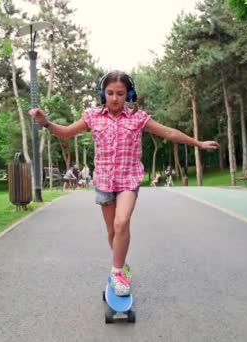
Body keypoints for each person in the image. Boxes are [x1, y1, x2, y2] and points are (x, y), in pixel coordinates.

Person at [29, 70, 219, 296]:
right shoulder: (92, 116)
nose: (115, 98)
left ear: (129, 94)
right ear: (103, 93)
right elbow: (67, 132)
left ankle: (117, 272)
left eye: (120, 93)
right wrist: (46, 123)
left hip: (129, 179)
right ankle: (121, 265)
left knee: (122, 223)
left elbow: (169, 132)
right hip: (104, 181)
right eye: (110, 93)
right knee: (112, 231)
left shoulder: (138, 118)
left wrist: (198, 143)